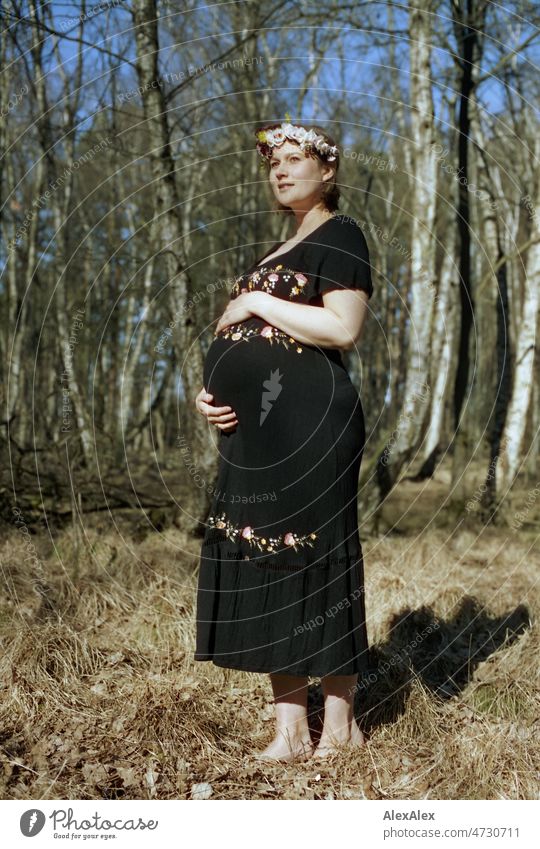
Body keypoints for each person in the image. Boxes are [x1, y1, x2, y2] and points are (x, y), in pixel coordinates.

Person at [194, 119, 374, 763]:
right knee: (262, 556)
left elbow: (342, 328)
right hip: (254, 432)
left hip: (310, 422)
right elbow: (238, 341)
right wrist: (211, 395)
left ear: (328, 172)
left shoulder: (340, 234)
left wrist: (256, 307)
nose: (281, 169)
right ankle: (290, 728)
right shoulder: (273, 250)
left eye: (296, 159)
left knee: (314, 553)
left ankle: (343, 723)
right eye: (275, 160)